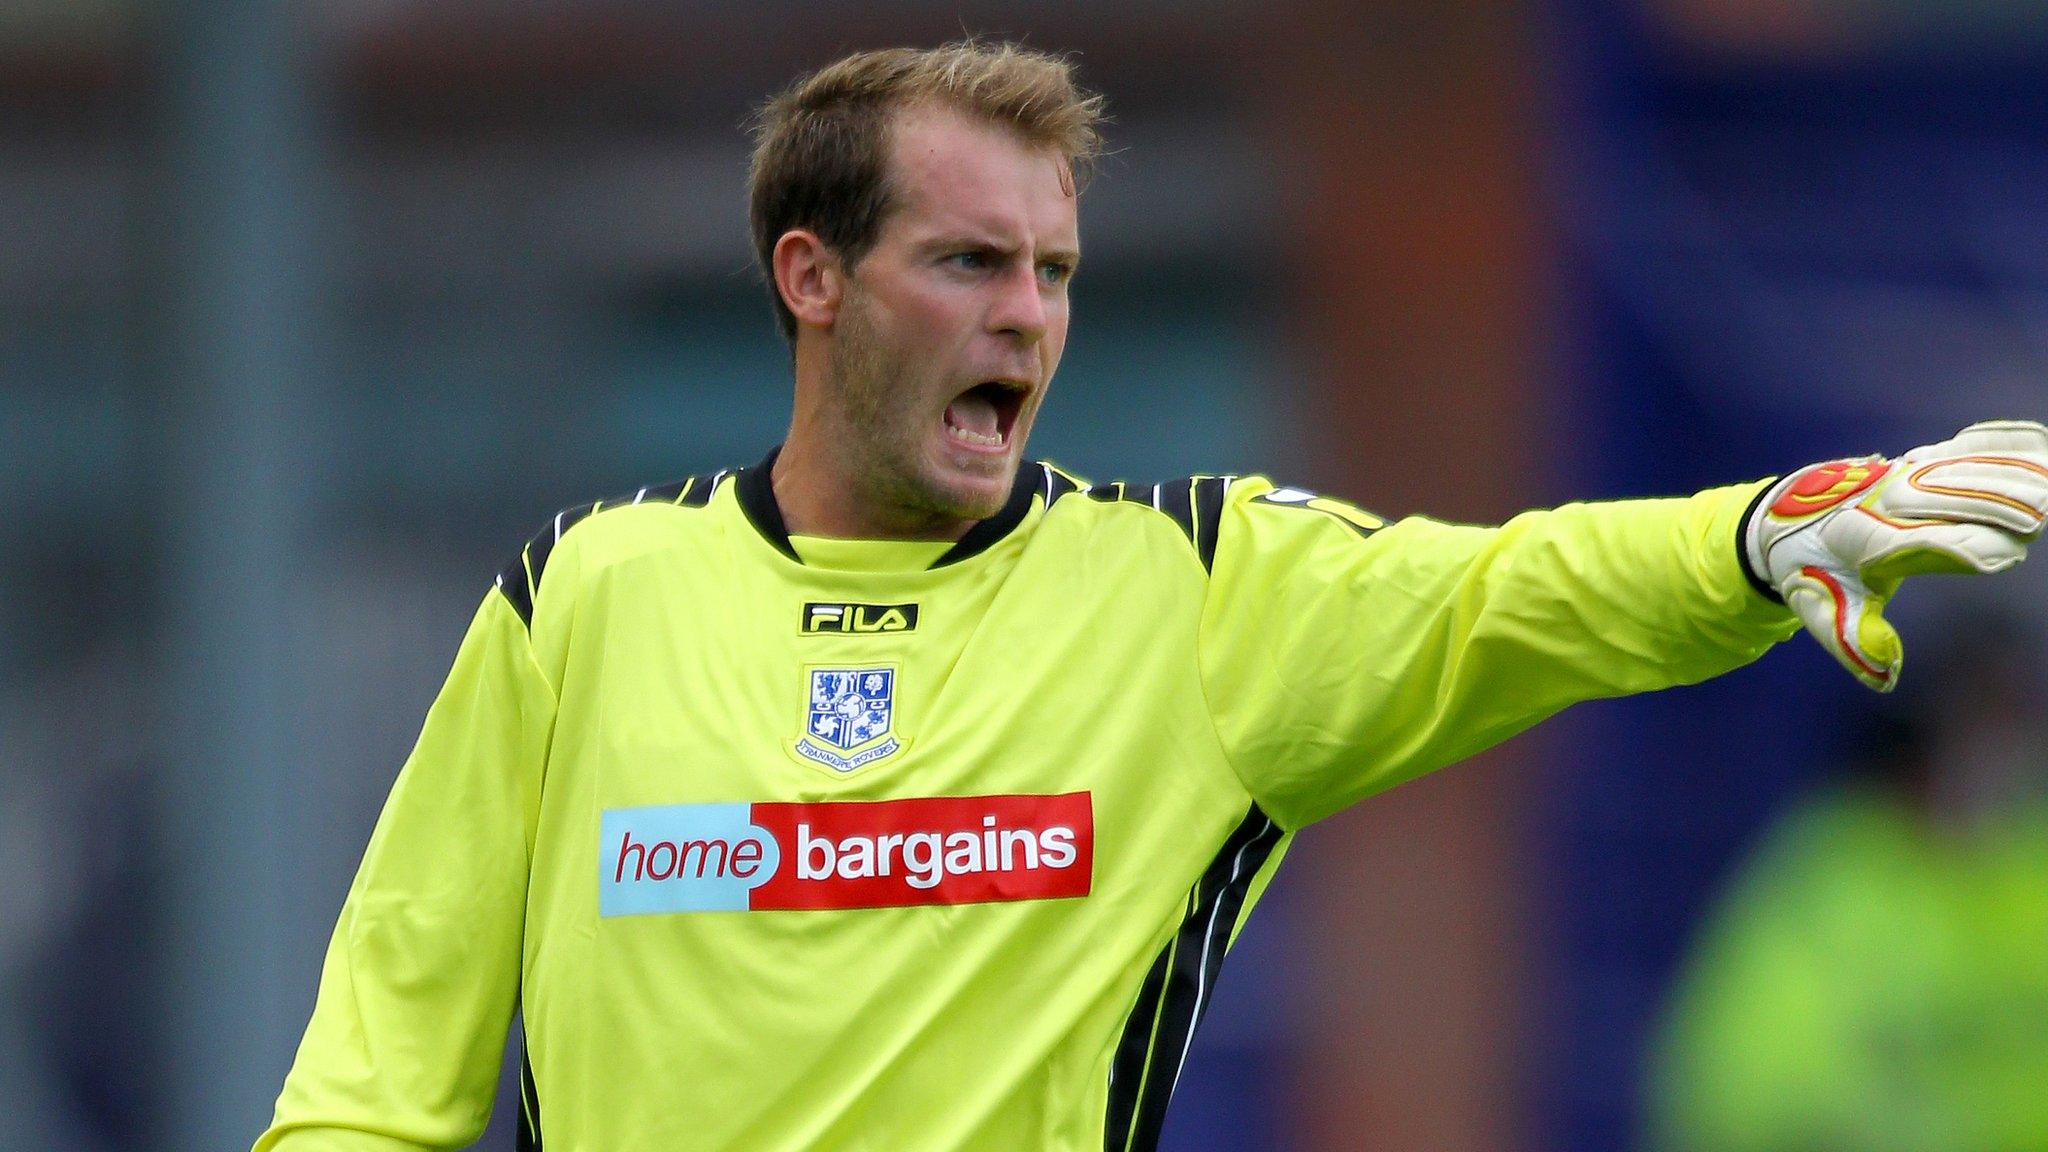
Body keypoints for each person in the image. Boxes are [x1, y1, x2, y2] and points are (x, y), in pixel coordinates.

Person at [252, 40, 2048, 1152]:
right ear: (810, 276)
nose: (1026, 315)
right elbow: (375, 1070)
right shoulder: (586, 598)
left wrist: (1753, 538)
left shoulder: (1186, 590)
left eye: (1052, 270)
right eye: (965, 262)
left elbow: (1504, 593)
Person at [1650, 615, 2048, 1152]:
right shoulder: (1838, 873)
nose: (2002, 754)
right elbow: (1745, 1087)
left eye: (2015, 719)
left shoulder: (2030, 863)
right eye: (1984, 723)